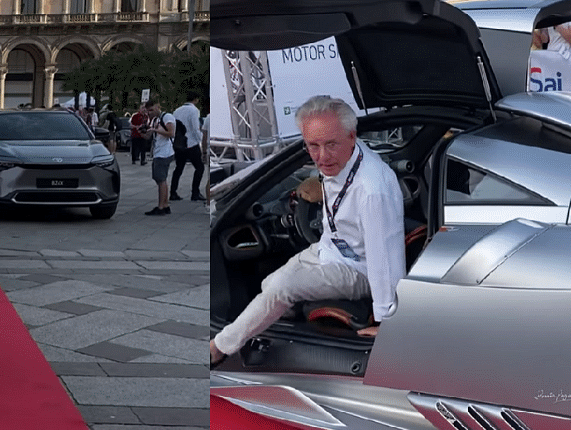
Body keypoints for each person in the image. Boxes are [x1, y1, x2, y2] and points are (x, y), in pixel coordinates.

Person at [209, 95, 404, 366]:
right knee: (270, 286)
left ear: (351, 135)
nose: (322, 157)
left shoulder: (372, 189)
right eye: (313, 145)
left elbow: (384, 259)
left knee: (279, 288)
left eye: (331, 145)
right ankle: (279, 316)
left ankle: (219, 347)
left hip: (361, 268)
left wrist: (388, 323)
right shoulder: (342, 157)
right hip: (331, 247)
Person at [141, 97, 175, 216]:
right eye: (147, 111)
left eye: (151, 110)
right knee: (160, 179)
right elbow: (149, 136)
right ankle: (165, 205)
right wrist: (143, 132)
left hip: (164, 153)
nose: (149, 113)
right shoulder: (155, 119)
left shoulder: (167, 117)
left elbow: (171, 133)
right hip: (158, 152)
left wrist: (156, 130)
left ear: (157, 107)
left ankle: (161, 207)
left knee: (161, 180)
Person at [169, 91, 205, 203]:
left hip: (179, 143)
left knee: (179, 168)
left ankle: (173, 192)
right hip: (191, 143)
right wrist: (200, 139)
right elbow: (195, 128)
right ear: (195, 99)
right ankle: (195, 192)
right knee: (200, 167)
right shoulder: (194, 110)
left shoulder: (177, 110)